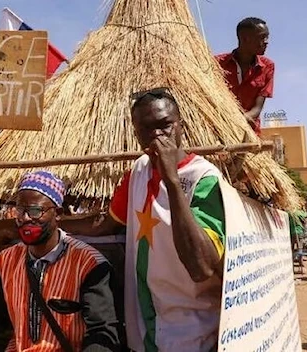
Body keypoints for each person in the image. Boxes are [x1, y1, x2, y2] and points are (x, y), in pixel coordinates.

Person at [65, 87, 225, 351]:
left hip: (194, 332)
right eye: (146, 130)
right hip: (145, 327)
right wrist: (55, 224)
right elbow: (107, 223)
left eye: (164, 126)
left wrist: (171, 180)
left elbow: (201, 267)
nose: (157, 136)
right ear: (136, 134)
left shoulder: (204, 178)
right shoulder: (138, 170)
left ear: (181, 125)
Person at [0, 171, 121, 351]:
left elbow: (101, 332)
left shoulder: (88, 264)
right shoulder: (7, 261)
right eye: (20, 211)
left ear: (58, 214)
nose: (26, 218)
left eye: (35, 211)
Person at [216, 17, 274, 135]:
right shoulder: (217, 64)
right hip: (219, 133)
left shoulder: (267, 67)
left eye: (267, 37)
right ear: (245, 39)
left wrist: (236, 122)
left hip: (249, 134)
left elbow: (257, 108)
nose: (267, 41)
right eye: (262, 37)